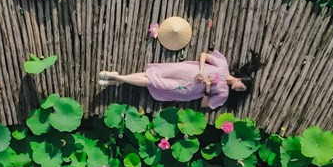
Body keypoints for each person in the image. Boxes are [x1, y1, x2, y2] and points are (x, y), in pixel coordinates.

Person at [98, 50, 263, 110]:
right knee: (151, 75)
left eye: (241, 91)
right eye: (241, 87)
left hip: (185, 89)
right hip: (187, 70)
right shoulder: (223, 65)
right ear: (240, 79)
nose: (238, 90)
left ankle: (116, 76)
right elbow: (204, 55)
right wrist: (200, 70)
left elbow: (205, 105)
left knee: (153, 81)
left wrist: (206, 88)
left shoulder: (223, 94)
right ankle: (116, 78)